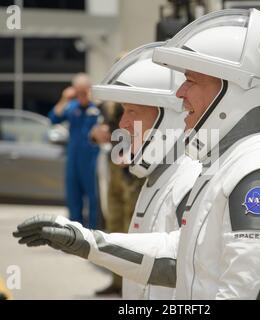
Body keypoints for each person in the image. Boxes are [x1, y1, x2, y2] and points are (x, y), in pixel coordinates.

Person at [13, 43, 202, 300]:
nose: (123, 122)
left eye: (132, 111)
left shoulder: (188, 182)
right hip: (107, 168)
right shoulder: (158, 179)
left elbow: (176, 259)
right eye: (123, 111)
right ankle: (115, 281)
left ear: (167, 118)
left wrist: (87, 242)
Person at [90, 102, 145, 296]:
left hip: (133, 171)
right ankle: (117, 281)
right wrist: (97, 134)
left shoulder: (135, 96)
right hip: (114, 167)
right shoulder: (106, 104)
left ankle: (130, 285)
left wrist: (136, 153)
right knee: (114, 225)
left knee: (131, 228)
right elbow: (102, 129)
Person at [48, 73, 100, 229]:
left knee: (93, 198)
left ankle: (93, 231)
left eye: (84, 92)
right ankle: (74, 231)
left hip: (91, 159)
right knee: (73, 196)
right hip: (73, 159)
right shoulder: (71, 107)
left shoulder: (96, 108)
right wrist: (65, 98)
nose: (81, 96)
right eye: (78, 92)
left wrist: (94, 100)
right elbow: (53, 118)